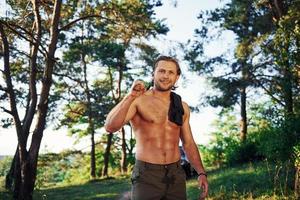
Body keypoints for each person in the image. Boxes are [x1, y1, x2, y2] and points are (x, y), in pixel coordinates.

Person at [105, 56, 208, 200]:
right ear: (153, 73)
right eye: (161, 71)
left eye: (171, 72)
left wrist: (201, 173)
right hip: (147, 174)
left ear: (177, 77)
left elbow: (188, 143)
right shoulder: (138, 100)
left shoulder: (181, 106)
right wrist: (130, 96)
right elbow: (110, 127)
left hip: (176, 173)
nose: (166, 76)